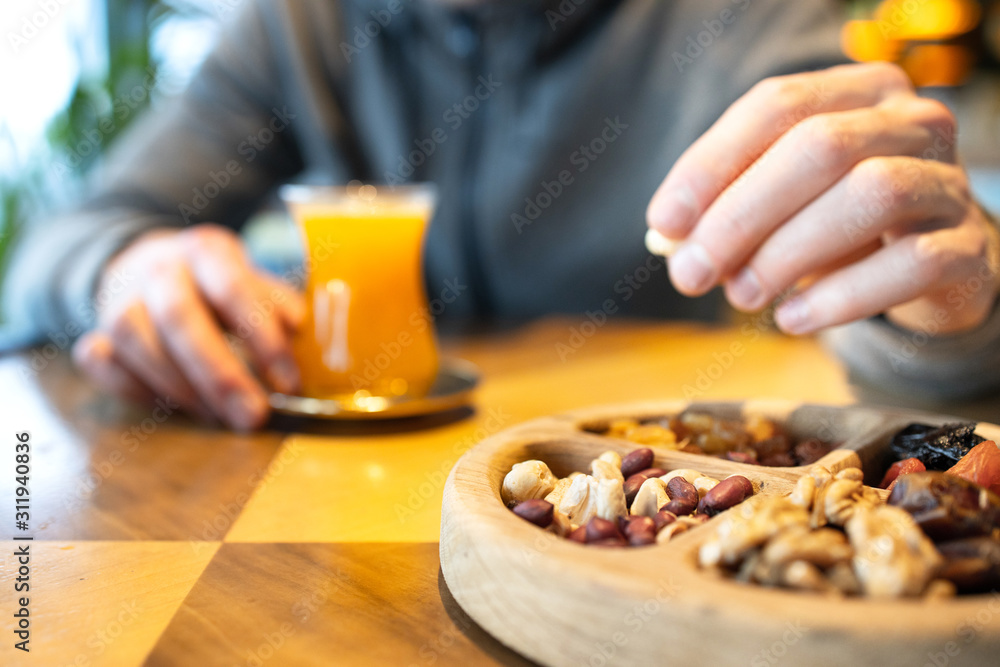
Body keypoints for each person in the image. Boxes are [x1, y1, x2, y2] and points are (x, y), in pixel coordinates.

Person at [5, 0, 999, 430]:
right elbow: (69, 238)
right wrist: (122, 269)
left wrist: (939, 313)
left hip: (627, 483)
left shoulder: (736, 18)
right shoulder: (297, 23)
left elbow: (872, 242)